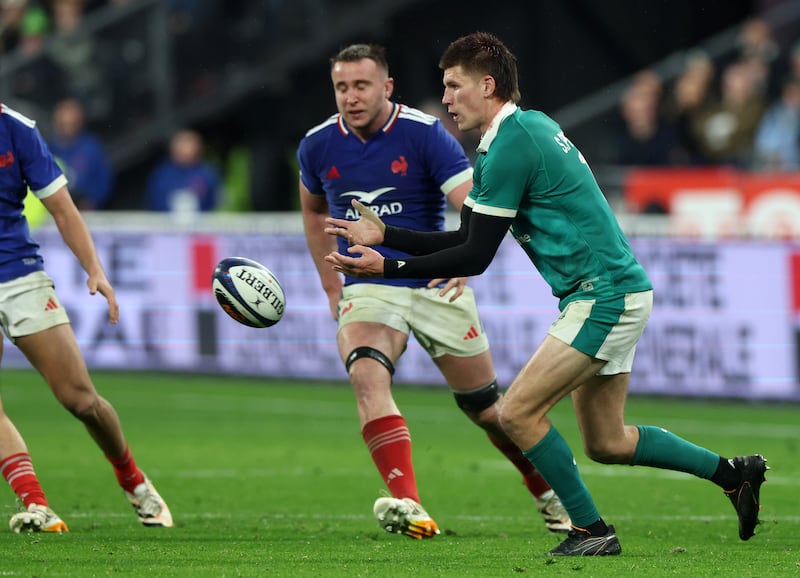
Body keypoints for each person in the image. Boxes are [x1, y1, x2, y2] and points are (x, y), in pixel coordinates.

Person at [323, 32, 768, 556]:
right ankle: (734, 474)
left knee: (515, 413)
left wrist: (389, 266)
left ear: (486, 85)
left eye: (453, 85)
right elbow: (468, 237)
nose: (446, 99)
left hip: (603, 294)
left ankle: (591, 530)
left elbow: (474, 259)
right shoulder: (510, 138)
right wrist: (389, 236)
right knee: (606, 442)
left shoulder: (515, 141)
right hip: (609, 291)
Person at [297, 43, 570, 540]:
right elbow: (315, 212)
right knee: (367, 375)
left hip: (432, 280)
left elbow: (472, 207)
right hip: (370, 283)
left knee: (489, 410)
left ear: (387, 87)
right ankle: (410, 505)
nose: (351, 97)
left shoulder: (425, 135)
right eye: (342, 87)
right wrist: (330, 282)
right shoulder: (316, 145)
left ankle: (547, 491)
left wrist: (467, 256)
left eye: (361, 85)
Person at [0, 103, 173, 532]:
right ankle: (37, 505)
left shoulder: (17, 130)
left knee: (80, 399)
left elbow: (62, 208)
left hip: (18, 275)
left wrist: (94, 269)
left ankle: (133, 481)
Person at [48, 98, 115, 210]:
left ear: (80, 122)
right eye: (63, 124)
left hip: (87, 211)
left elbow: (103, 179)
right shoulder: (47, 148)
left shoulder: (91, 147)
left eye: (71, 124)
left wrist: (92, 200)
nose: (67, 129)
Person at [145, 128, 222, 213]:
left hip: (201, 223)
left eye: (189, 144)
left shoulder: (207, 173)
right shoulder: (162, 174)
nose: (185, 148)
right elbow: (153, 201)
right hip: (166, 223)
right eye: (181, 144)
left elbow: (216, 202)